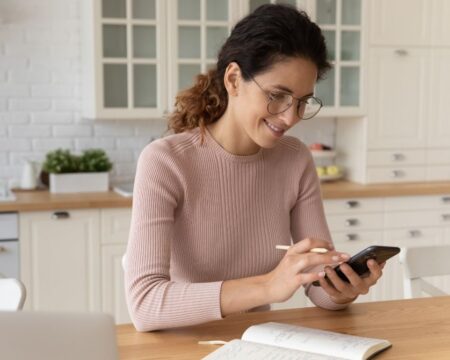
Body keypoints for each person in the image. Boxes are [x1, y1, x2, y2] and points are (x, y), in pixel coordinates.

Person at [125, 4, 384, 332]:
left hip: (263, 344)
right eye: (278, 96)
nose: (291, 117)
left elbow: (317, 288)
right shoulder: (165, 162)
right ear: (233, 80)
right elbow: (146, 304)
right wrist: (268, 286)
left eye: (303, 101)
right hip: (184, 345)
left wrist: (343, 289)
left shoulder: (295, 160)